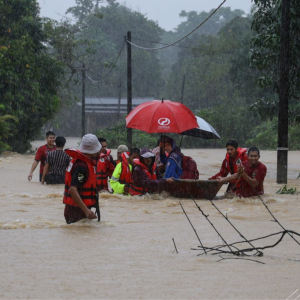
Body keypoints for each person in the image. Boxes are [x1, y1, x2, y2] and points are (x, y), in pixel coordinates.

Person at [63, 134, 102, 224]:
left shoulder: (82, 162)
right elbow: (72, 189)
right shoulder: (81, 166)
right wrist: (86, 210)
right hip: (76, 211)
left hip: (77, 210)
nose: (99, 152)